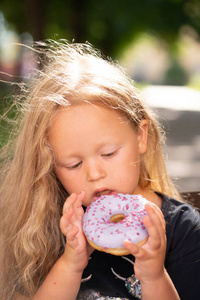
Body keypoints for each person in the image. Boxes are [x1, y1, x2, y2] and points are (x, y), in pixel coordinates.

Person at [0, 40, 200, 300]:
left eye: (108, 154)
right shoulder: (47, 230)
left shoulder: (183, 232)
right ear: (50, 166)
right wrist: (71, 264)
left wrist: (154, 276)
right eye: (74, 164)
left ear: (141, 137)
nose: (94, 174)